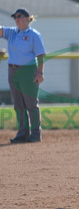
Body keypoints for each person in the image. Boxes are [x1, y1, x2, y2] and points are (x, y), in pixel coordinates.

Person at [0, 8, 46, 143]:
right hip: (13, 71)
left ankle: (36, 134)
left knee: (31, 104)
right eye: (15, 17)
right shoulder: (12, 32)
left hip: (28, 71)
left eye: (20, 16)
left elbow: (40, 55)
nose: (17, 19)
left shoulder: (34, 35)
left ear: (27, 18)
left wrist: (40, 73)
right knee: (18, 105)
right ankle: (23, 133)